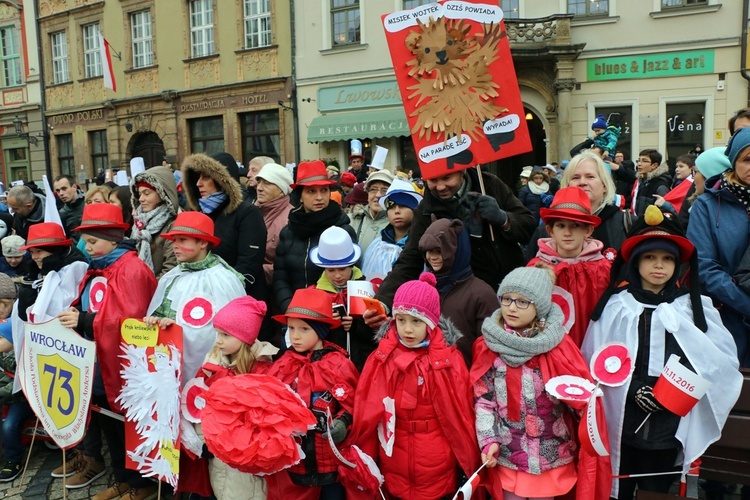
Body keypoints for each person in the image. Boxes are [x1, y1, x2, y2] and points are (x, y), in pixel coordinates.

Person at [584, 206, 742, 499]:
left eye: (668, 259)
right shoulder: (616, 307)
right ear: (636, 262)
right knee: (617, 485)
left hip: (668, 424)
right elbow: (595, 360)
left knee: (655, 488)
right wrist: (632, 391)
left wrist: (671, 390)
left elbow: (715, 362)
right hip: (622, 419)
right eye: (650, 257)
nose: (659, 266)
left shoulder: (693, 309)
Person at [472, 266, 611, 500]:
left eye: (523, 301)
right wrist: (489, 441)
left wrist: (580, 402)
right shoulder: (489, 347)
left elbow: (581, 402)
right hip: (508, 454)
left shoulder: (559, 348)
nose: (512, 307)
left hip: (551, 457)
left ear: (540, 307)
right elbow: (484, 402)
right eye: (507, 299)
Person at [56, 204, 158, 500]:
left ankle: (143, 483)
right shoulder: (100, 267)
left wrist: (85, 320)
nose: (86, 249)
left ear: (113, 238)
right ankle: (123, 479)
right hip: (99, 363)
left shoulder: (131, 269)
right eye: (85, 242)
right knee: (110, 425)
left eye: (92, 242)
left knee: (130, 426)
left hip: (124, 366)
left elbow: (133, 323)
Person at [347, 273, 479, 500]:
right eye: (401, 320)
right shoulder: (383, 357)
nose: (407, 329)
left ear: (431, 322)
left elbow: (461, 415)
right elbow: (367, 412)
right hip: (393, 459)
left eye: (416, 321)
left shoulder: (446, 361)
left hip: (437, 462)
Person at [374, 166, 537, 314]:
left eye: (447, 178)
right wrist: (383, 302)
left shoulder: (489, 185)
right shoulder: (426, 209)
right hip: (460, 301)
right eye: (433, 180)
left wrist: (503, 219)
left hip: (510, 292)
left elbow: (528, 226)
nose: (440, 187)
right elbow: (409, 260)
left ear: (462, 171)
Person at [10, 223, 91, 487]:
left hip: (72, 349)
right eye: (31, 253)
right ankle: (77, 452)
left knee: (83, 407)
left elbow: (56, 309)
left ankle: (89, 458)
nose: (33, 258)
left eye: (39, 252)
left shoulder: (74, 269)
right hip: (48, 350)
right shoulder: (40, 271)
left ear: (54, 250)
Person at [179, 296, 278, 499]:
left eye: (225, 334)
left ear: (244, 337)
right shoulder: (212, 365)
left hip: (247, 464)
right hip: (216, 457)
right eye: (217, 333)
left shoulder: (263, 373)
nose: (218, 340)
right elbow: (199, 405)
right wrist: (202, 441)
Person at [266, 288, 359, 499]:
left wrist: (343, 423)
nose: (295, 336)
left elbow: (354, 403)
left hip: (330, 460)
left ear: (321, 331)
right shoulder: (283, 365)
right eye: (291, 328)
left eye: (304, 329)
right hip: (295, 461)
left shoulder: (337, 365)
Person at [144, 211, 246, 386]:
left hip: (204, 373)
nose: (175, 245)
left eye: (182, 240)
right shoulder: (171, 277)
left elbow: (231, 330)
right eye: (174, 239)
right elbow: (158, 312)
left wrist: (179, 328)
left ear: (203, 242)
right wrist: (156, 322)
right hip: (168, 368)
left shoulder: (223, 279)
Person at [688, 127, 750, 366]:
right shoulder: (707, 205)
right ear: (733, 162)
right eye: (747, 159)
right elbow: (705, 267)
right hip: (726, 321)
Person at [529, 186, 612, 347]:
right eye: (560, 226)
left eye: (575, 225)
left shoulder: (602, 269)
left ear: (587, 230)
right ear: (550, 231)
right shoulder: (536, 269)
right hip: (552, 349)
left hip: (593, 347)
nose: (567, 233)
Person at [273, 160, 357, 312]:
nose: (319, 197)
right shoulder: (288, 232)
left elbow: (352, 276)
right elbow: (280, 276)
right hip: (294, 314)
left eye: (324, 190)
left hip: (330, 315)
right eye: (311, 191)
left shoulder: (343, 231)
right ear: (300, 196)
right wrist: (290, 307)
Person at [182, 152, 267, 301]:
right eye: (197, 177)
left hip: (239, 301)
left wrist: (213, 293)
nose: (198, 183)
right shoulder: (199, 214)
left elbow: (248, 265)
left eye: (206, 177)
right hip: (199, 300)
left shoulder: (247, 213)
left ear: (222, 181)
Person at [418, 218, 497, 366]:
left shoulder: (481, 293)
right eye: (428, 251)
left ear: (457, 249)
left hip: (464, 380)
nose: (432, 257)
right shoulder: (423, 289)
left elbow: (489, 351)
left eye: (439, 251)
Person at [526, 152, 632, 258]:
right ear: (567, 185)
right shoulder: (550, 225)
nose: (582, 182)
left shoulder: (625, 223)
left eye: (590, 177)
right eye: (575, 178)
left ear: (604, 185)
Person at [308, 226, 371, 370]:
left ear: (352, 265)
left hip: (362, 363)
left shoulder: (366, 290)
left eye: (342, 269)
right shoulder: (315, 293)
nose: (337, 275)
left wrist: (355, 326)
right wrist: (325, 324)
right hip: (327, 365)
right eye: (331, 270)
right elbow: (307, 334)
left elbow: (377, 333)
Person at [360, 178, 422, 283]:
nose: (397, 211)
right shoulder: (377, 246)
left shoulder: (420, 244)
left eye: (403, 206)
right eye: (392, 207)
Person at [0, 273, 29, 483]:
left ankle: (13, 460)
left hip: (20, 392)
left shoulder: (14, 324)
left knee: (9, 425)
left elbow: (6, 345)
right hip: (6, 389)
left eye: (3, 303)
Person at [129, 166, 179, 278]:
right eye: (139, 194)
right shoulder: (139, 223)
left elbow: (171, 268)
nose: (141, 199)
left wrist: (148, 289)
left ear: (162, 194)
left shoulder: (173, 225)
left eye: (146, 193)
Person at [254, 163, 294, 287]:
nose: (259, 188)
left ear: (282, 190)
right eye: (259, 182)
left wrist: (253, 272)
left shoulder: (290, 219)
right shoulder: (251, 213)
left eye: (267, 183)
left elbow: (289, 266)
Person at [349, 170, 393, 253]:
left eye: (385, 190)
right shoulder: (352, 219)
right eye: (373, 189)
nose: (378, 195)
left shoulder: (397, 223)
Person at [631, 149, 671, 217]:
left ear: (654, 165)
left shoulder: (661, 185)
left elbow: (663, 212)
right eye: (639, 161)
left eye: (644, 161)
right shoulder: (642, 181)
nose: (639, 164)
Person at [54, 175, 85, 240]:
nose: (61, 193)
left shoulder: (89, 204)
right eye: (58, 191)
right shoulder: (61, 213)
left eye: (64, 189)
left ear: (74, 187)